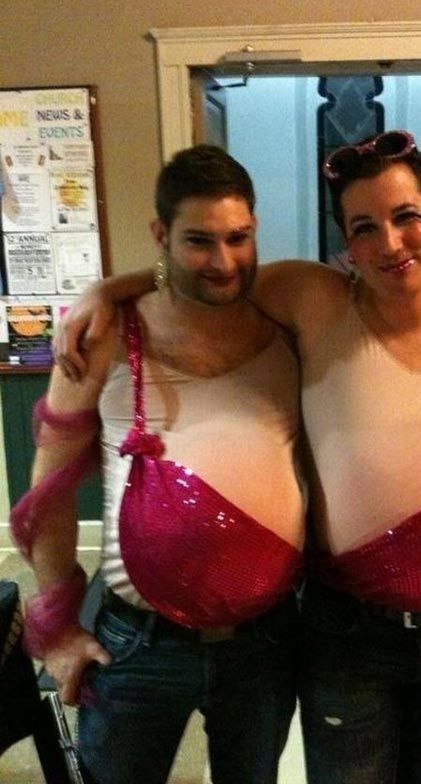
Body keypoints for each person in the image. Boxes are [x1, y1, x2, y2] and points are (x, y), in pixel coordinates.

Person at [53, 130, 421, 784]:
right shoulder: (314, 299)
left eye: (406, 216)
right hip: (348, 634)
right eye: (364, 228)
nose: (390, 243)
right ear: (347, 245)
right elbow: (215, 279)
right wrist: (108, 290)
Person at [10, 145, 305, 784]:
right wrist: (57, 631)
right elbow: (48, 493)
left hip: (265, 643)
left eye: (238, 237)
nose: (223, 261)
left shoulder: (288, 324)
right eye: (199, 241)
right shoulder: (108, 335)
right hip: (137, 645)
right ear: (161, 235)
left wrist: (113, 282)